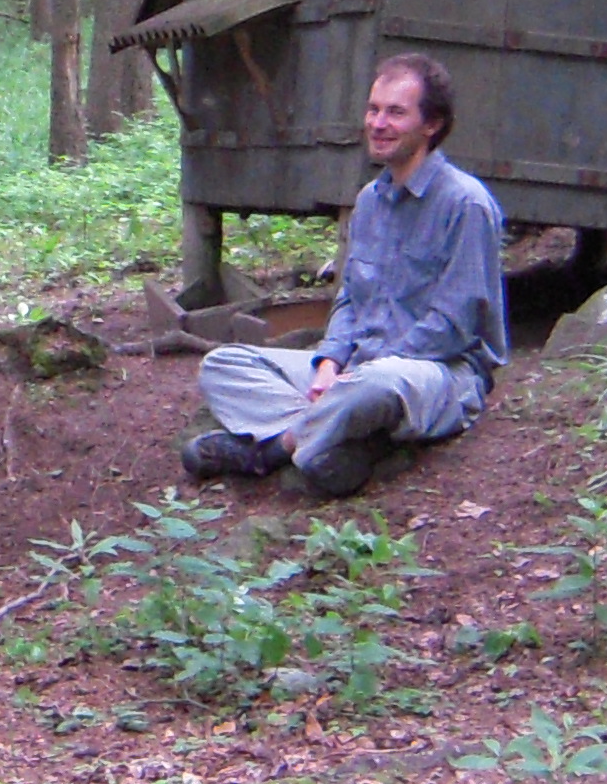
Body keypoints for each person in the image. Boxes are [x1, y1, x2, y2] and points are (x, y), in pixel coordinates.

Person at [181, 52, 507, 499]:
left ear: (431, 124)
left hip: (435, 374)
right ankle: (339, 443)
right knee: (223, 364)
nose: (378, 124)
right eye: (373, 110)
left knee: (376, 385)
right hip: (357, 368)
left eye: (396, 113)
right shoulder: (370, 201)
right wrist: (329, 365)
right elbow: (350, 300)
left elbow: (453, 327)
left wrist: (357, 374)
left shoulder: (466, 204)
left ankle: (275, 448)